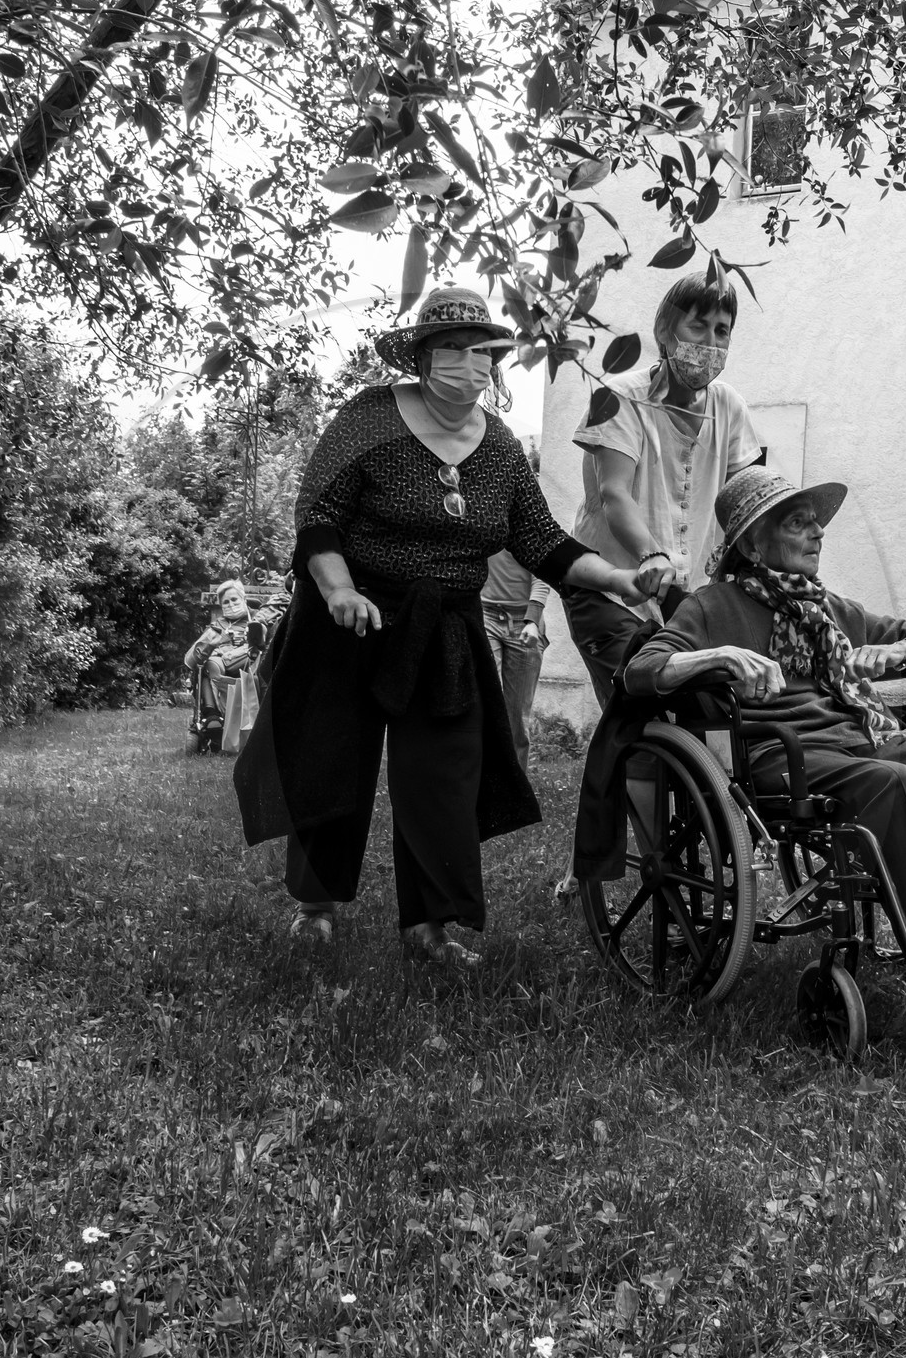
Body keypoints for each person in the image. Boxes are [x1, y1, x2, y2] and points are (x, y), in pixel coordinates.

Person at [233, 286, 654, 967]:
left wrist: (619, 578)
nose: (468, 363)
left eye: (480, 350)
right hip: (350, 615)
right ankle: (316, 905)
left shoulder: (499, 448)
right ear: (424, 355)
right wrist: (337, 588)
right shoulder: (368, 420)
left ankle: (429, 926)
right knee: (333, 759)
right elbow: (319, 517)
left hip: (443, 626)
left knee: (444, 773)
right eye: (451, 348)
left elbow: (542, 539)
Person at [619, 466, 906, 1010]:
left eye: (817, 523)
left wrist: (900, 652)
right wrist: (717, 655)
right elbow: (640, 671)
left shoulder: (831, 610)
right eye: (799, 523)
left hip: (864, 739)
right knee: (897, 783)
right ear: (751, 542)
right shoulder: (711, 606)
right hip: (784, 756)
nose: (818, 533)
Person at [565, 270, 763, 707]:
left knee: (702, 712)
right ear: (665, 331)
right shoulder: (620, 397)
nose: (710, 342)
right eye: (698, 325)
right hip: (613, 590)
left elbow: (745, 498)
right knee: (638, 710)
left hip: (686, 598)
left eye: (722, 330)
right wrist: (651, 555)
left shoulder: (729, 404)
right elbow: (615, 493)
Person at [482, 536, 551, 771]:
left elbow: (543, 573)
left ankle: (514, 788)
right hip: (485, 615)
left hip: (525, 621)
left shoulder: (527, 519)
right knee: (485, 702)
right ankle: (482, 783)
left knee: (517, 717)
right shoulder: (482, 514)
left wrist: (533, 620)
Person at [184, 579, 259, 721]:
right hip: (219, 667)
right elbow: (191, 660)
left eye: (234, 599)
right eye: (226, 602)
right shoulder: (217, 625)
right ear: (221, 605)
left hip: (250, 663)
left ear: (244, 599)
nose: (231, 604)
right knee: (209, 664)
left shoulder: (257, 618)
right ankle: (212, 714)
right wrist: (213, 645)